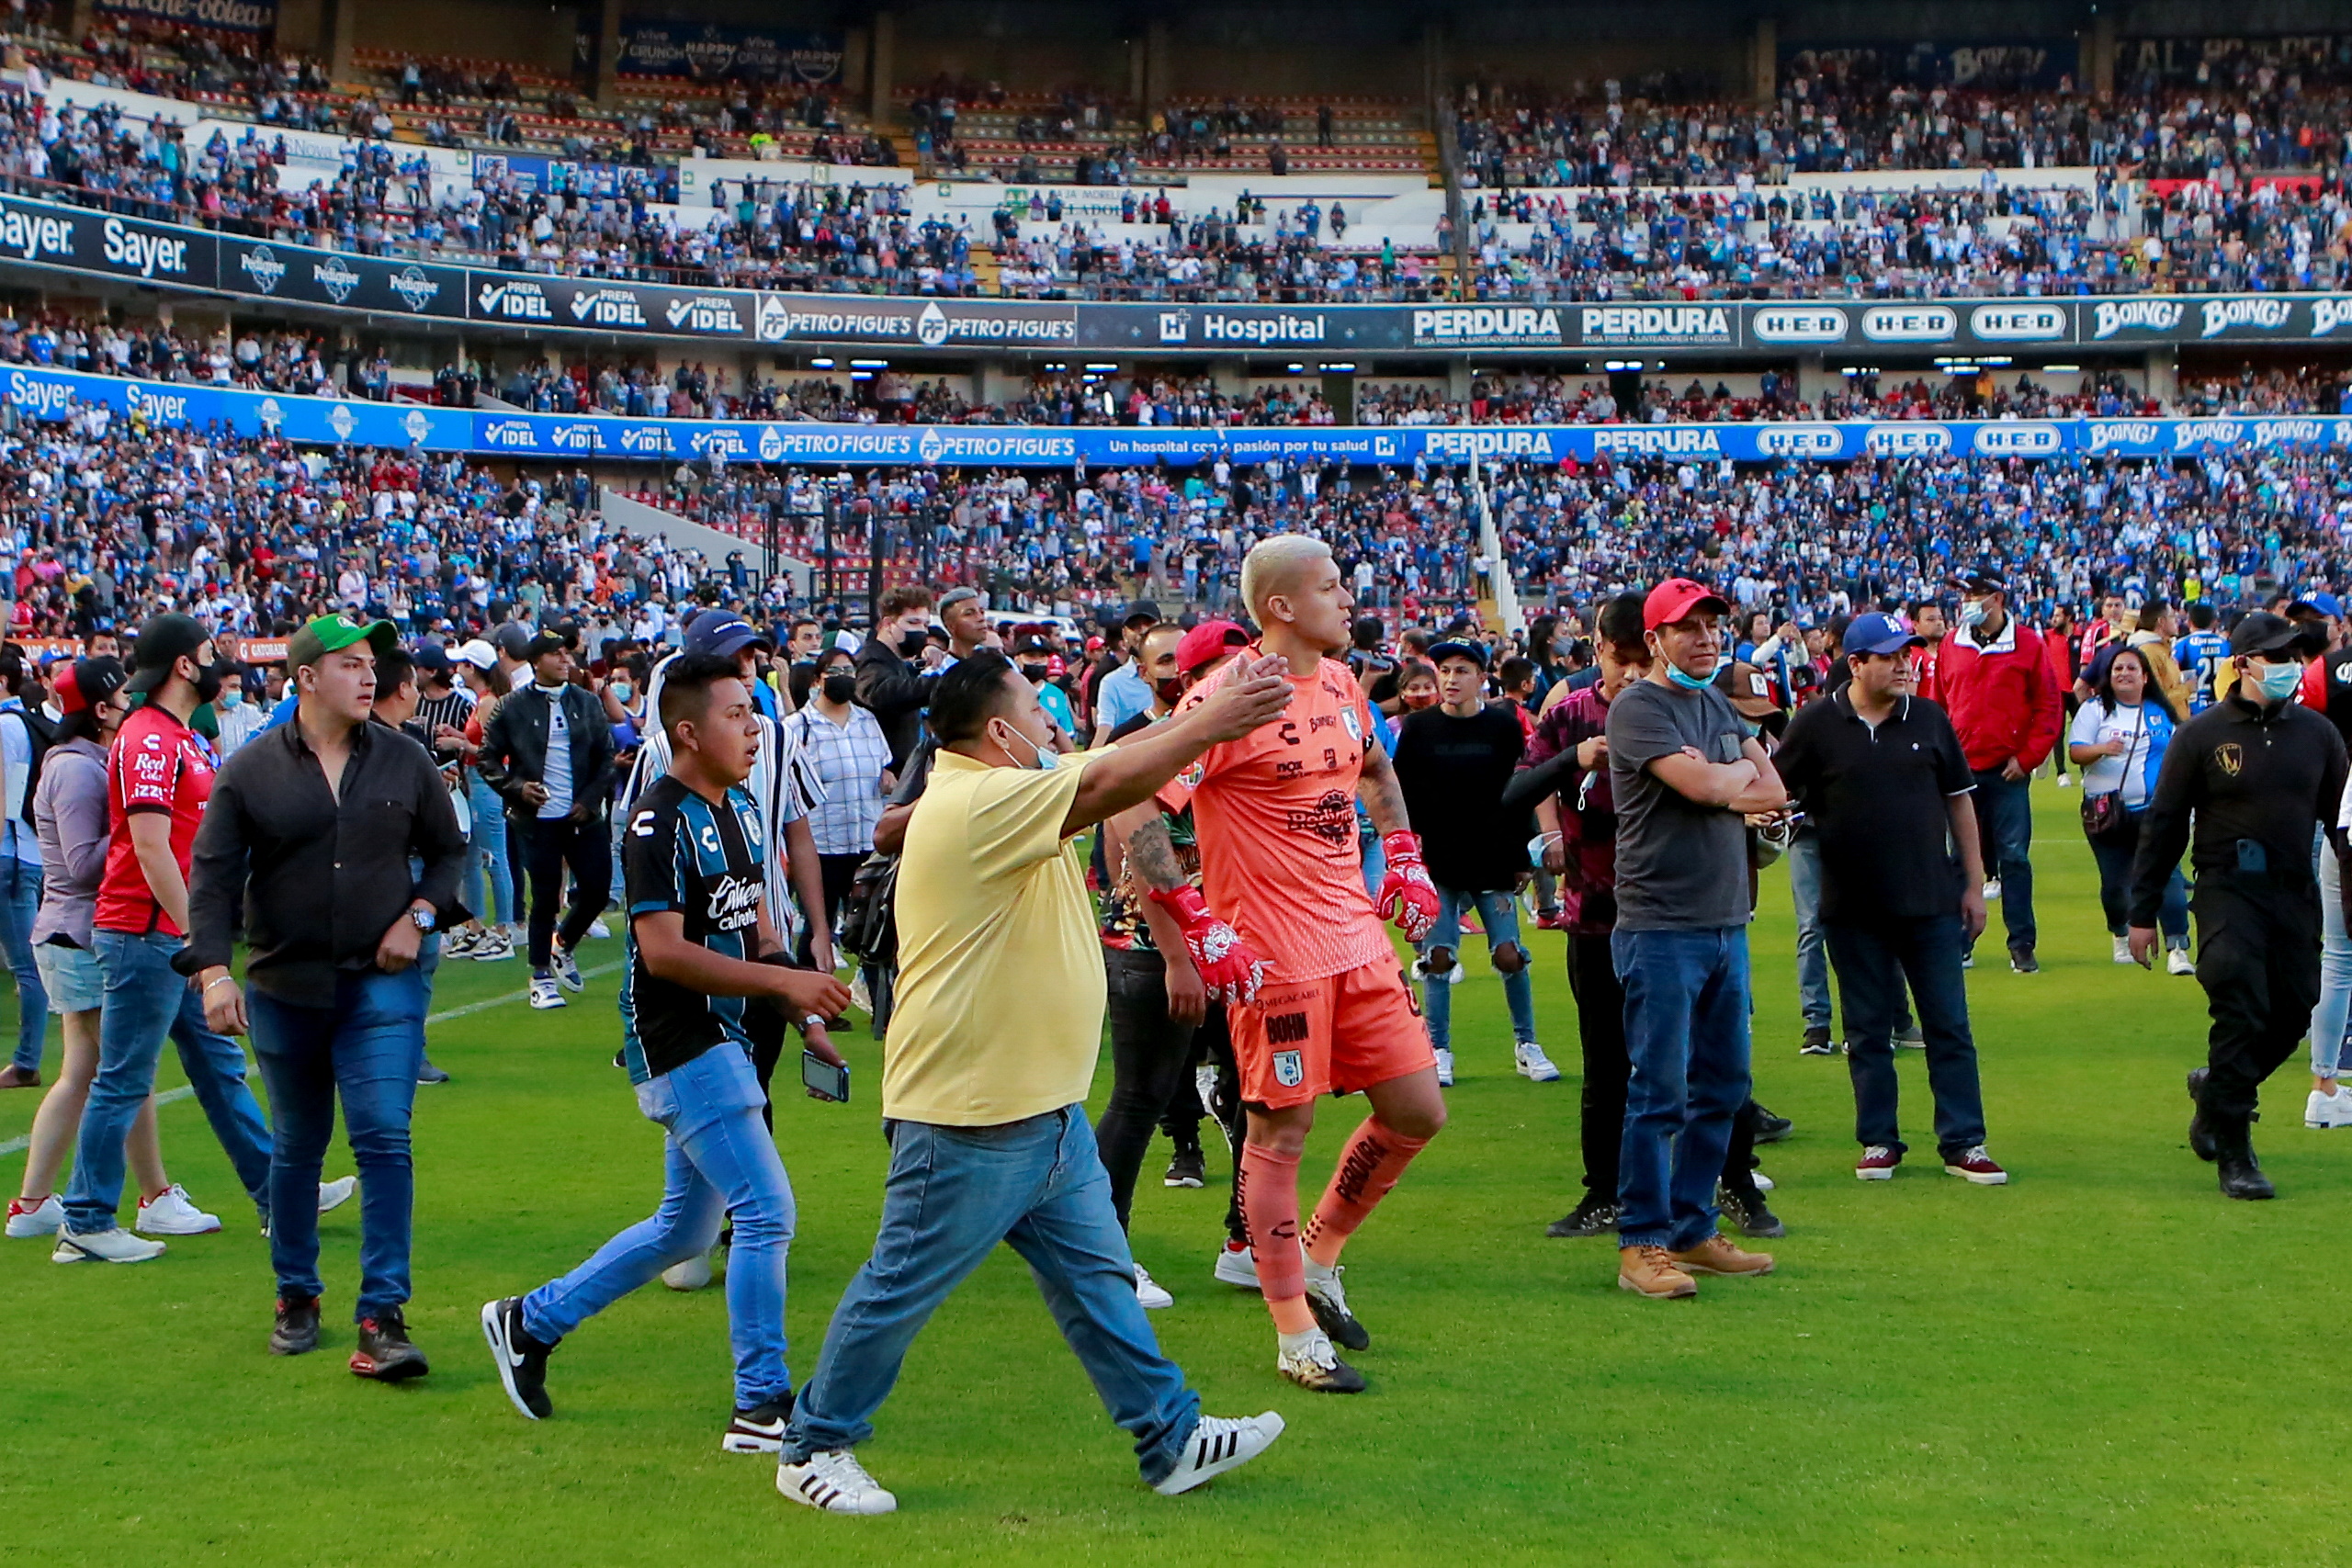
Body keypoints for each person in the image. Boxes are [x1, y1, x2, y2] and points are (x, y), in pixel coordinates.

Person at [775, 649, 1295, 1515]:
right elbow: (1098, 787)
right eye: (1037, 712)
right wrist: (1215, 720)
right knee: (899, 1287)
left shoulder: (1005, 782)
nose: (1055, 724)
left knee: (1098, 1284)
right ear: (1000, 731)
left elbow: (1109, 765)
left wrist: (1203, 711)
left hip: (1039, 1108)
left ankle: (1170, 1436)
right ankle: (814, 1443)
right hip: (969, 1114)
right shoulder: (981, 801)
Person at [481, 653, 852, 1455]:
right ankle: (760, 1404)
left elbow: (762, 933)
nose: (754, 727)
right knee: (766, 1209)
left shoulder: (745, 808)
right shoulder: (655, 819)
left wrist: (802, 1007)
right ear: (687, 731)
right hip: (678, 1037)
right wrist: (779, 985)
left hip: (729, 1032)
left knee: (684, 1230)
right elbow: (664, 954)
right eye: (735, 714)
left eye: (754, 711)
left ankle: (529, 1322)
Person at [1132, 536, 1446, 1395]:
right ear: (1280, 606)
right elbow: (1135, 809)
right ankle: (1293, 1333)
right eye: (1332, 585)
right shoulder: (1225, 697)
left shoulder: (1343, 683)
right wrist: (1198, 923)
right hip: (1273, 957)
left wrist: (1407, 855)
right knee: (1281, 1134)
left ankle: (1320, 1257)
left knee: (1418, 1112)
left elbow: (1375, 766)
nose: (1348, 598)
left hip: (1356, 939)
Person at [188, 614, 467, 1378]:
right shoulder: (248, 769)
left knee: (383, 1135)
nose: (369, 674)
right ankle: (295, 1292)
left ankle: (382, 1314)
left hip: (382, 983)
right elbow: (210, 878)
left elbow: (448, 850)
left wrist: (419, 914)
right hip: (285, 985)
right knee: (298, 1146)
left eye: (371, 663)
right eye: (349, 664)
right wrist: (213, 972)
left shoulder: (406, 759)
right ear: (306, 677)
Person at [55, 615, 352, 1264]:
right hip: (146, 930)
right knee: (125, 1075)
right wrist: (200, 934)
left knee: (218, 1066)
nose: (221, 661)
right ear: (185, 666)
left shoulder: (178, 736)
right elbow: (151, 843)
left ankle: (281, 1191)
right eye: (208, 652)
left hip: (172, 930)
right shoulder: (149, 739)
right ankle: (84, 1216)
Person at [1773, 612, 2007, 1187]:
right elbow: (1773, 790)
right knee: (1866, 1030)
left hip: (1930, 903)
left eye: (1907, 653)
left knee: (1949, 1025)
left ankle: (1964, 1142)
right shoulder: (1816, 725)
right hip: (1852, 908)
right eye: (1890, 655)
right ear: (1856, 664)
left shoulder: (1929, 717)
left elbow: (1960, 803)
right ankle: (1879, 1139)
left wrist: (1974, 885)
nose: (1905, 663)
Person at [1606, 578, 1788, 1301]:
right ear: (1654, 639)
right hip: (1660, 927)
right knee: (1659, 1091)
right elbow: (1721, 789)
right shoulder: (1638, 707)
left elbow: (1771, 789)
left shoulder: (1712, 701)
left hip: (1724, 922)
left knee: (1724, 1085)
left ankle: (1690, 1226)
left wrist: (1725, 775)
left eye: (1715, 625)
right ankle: (1641, 1242)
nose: (1708, 638)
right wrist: (1728, 777)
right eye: (1690, 628)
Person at [2132, 611, 2350, 1201]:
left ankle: (2219, 1091)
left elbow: (2343, 824)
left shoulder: (2319, 736)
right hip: (2228, 889)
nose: (2291, 666)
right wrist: (2142, 913)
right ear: (2246, 662)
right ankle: (2235, 1149)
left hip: (2292, 890)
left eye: (2296, 656)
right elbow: (2166, 824)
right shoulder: (2200, 735)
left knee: (2297, 1004)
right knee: (2240, 999)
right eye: (2278, 656)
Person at [8, 659, 196, 1240]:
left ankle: (42, 1203)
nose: (131, 700)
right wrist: (140, 829)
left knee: (98, 1070)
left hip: (80, 932)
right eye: (120, 693)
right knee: (116, 1071)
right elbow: (85, 860)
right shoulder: (76, 768)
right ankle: (141, 1195)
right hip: (78, 931)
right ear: (98, 709)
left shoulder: (87, 760)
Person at [1389, 637, 1555, 1086]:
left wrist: (1523, 854)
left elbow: (1519, 794)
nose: (1450, 679)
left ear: (1483, 678)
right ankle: (1438, 1049)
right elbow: (1400, 794)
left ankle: (1527, 1044)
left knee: (1510, 954)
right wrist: (1405, 851)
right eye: (1444, 671)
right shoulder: (1419, 729)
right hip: (1438, 859)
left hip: (1494, 855)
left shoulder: (1502, 727)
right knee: (1437, 956)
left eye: (1462, 670)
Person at [481, 632, 618, 1010]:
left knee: (597, 890)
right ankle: (540, 976)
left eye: (567, 654)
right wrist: (518, 788)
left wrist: (589, 801)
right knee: (544, 897)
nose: (565, 660)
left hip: (581, 817)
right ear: (536, 660)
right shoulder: (512, 706)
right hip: (537, 821)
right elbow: (487, 760)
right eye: (556, 654)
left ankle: (565, 943)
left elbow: (606, 759)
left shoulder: (587, 703)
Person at [1934, 570, 2062, 973]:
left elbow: (2047, 706)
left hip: (2008, 771)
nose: (1969, 601)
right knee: (1959, 859)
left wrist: (2028, 758)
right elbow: (1938, 705)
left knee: (2013, 858)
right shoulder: (1953, 644)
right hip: (1963, 771)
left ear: (1998, 599)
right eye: (1965, 594)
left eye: (1977, 594)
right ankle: (1960, 940)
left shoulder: (2028, 644)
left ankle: (2021, 942)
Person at [2069, 646, 2192, 975]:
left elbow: (2182, 749)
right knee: (2115, 883)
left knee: (2168, 877)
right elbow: (2076, 752)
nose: (2123, 674)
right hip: (2106, 812)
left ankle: (2177, 946)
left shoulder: (2160, 711)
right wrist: (2102, 749)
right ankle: (2120, 933)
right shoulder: (2095, 710)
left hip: (2156, 811)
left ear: (2145, 677)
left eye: (2131, 668)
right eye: (2117, 669)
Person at [784, 646, 892, 985]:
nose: (843, 679)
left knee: (874, 926)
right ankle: (812, 1004)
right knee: (819, 926)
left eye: (849, 672)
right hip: (821, 844)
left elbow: (884, 768)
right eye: (835, 672)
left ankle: (881, 1003)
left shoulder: (867, 721)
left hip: (865, 841)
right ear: (818, 679)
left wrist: (889, 780)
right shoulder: (797, 726)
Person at [0, 649, 51, 1088]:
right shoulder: (28, 723)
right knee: (26, 964)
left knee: (26, 966)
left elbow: (7, 797)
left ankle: (27, 1061)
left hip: (10, 853)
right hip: (25, 852)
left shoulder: (6, 725)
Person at [854, 586, 941, 770]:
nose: (921, 631)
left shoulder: (894, 661)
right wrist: (941, 683)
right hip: (885, 771)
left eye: (925, 625)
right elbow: (880, 692)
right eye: (913, 622)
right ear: (887, 624)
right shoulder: (872, 658)